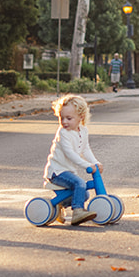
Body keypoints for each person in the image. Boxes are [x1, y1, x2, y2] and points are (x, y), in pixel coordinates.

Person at [44, 93, 101, 225]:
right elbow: (70, 154)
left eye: (69, 118)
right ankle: (77, 212)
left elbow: (85, 149)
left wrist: (95, 163)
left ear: (81, 117)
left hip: (67, 171)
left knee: (84, 194)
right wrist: (86, 165)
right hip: (57, 172)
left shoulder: (83, 131)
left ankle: (59, 205)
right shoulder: (63, 133)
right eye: (61, 118)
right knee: (79, 184)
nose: (64, 122)